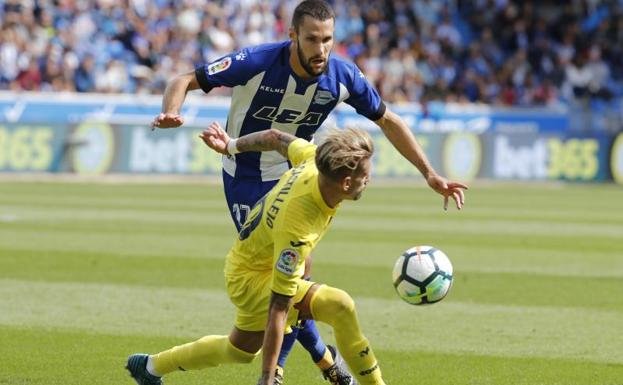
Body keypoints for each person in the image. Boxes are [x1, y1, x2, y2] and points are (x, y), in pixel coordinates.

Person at [150, 0, 466, 383]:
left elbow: (388, 120)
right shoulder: (257, 61)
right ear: (292, 36)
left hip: (297, 169)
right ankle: (312, 364)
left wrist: (429, 174)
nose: (321, 49)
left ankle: (311, 362)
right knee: (293, 276)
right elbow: (182, 79)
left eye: (328, 39)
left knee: (283, 290)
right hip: (246, 177)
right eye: (312, 39)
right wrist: (172, 110)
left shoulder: (342, 75)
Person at [126, 123, 468, 385]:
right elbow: (278, 305)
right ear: (347, 184)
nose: (370, 181)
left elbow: (276, 137)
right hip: (251, 279)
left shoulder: (310, 160)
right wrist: (269, 376)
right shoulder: (299, 225)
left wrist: (231, 145)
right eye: (365, 177)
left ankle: (152, 366)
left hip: (244, 262)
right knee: (340, 305)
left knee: (239, 350)